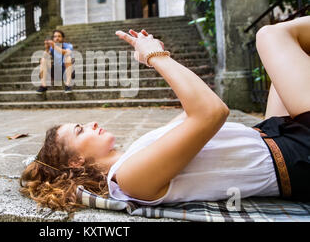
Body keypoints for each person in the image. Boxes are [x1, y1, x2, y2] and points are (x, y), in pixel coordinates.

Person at [21, 16, 310, 212]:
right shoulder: (129, 178)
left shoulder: (136, 154)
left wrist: (153, 53)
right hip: (297, 155)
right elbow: (212, 112)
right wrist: (155, 57)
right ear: (76, 161)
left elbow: (198, 106)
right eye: (80, 130)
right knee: (271, 35)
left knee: (292, 56)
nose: (92, 123)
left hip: (273, 132)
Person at [37, 29, 75, 93]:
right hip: (55, 72)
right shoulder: (51, 47)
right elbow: (44, 58)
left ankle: (68, 85)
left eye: (59, 36)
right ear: (53, 39)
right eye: (55, 36)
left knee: (68, 58)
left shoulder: (68, 45)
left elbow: (67, 53)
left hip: (66, 71)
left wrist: (54, 46)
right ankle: (43, 86)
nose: (57, 38)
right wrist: (46, 49)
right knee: (43, 59)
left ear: (63, 38)